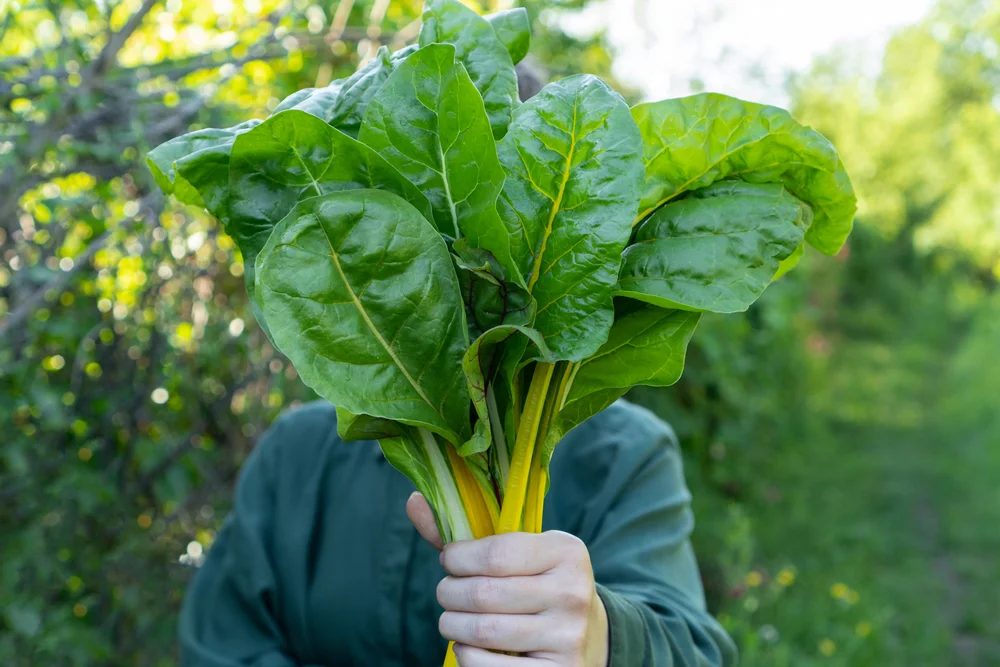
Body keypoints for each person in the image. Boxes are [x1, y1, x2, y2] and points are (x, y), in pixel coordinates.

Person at [178, 399, 737, 666]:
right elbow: (221, 646)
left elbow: (693, 649)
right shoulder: (299, 450)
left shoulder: (622, 453)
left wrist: (603, 639)